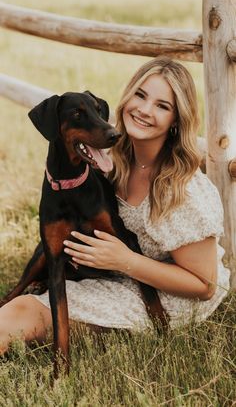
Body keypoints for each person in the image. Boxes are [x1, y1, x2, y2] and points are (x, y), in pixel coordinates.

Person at [0, 57, 230, 354]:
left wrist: (126, 261)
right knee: (22, 306)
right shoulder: (108, 161)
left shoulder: (183, 189)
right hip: (118, 275)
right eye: (141, 95)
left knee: (21, 314)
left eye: (163, 106)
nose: (145, 110)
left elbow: (204, 286)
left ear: (176, 120)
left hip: (170, 297)